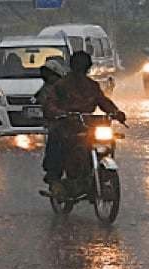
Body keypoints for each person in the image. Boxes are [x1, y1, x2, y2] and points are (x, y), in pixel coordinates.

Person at [44, 51, 126, 197]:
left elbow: (103, 101)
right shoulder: (61, 85)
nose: (80, 72)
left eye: (83, 68)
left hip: (89, 125)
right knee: (57, 139)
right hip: (67, 125)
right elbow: (50, 104)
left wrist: (116, 112)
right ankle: (54, 177)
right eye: (78, 67)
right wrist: (60, 113)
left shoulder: (92, 86)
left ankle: (96, 175)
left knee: (109, 141)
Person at [36, 58, 70, 188]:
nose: (49, 77)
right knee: (56, 142)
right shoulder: (47, 90)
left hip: (73, 122)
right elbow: (46, 105)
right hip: (58, 123)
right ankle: (53, 174)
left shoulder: (67, 85)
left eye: (51, 74)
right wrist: (59, 113)